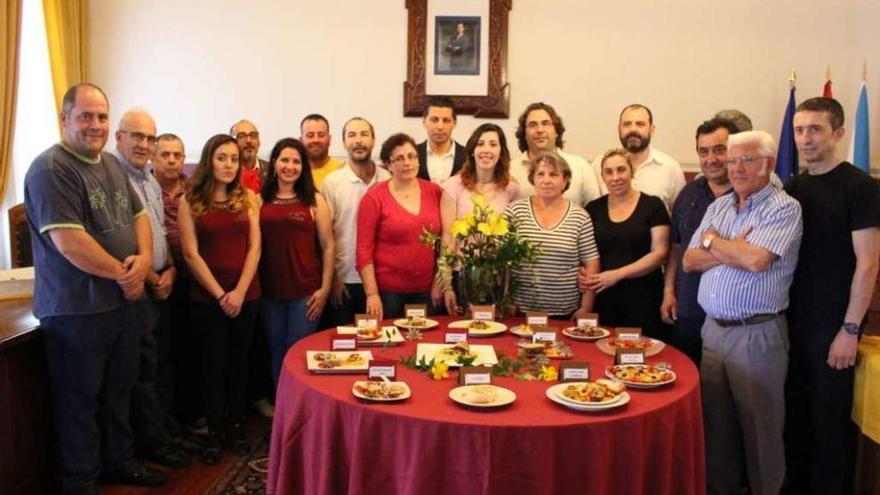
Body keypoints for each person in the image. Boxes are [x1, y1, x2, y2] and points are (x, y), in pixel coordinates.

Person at [24, 83, 166, 493]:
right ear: (65, 118)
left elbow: (139, 216)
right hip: (76, 311)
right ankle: (82, 480)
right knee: (79, 404)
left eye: (102, 116)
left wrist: (141, 259)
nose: (95, 125)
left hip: (121, 304)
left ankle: (119, 462)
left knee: (119, 392)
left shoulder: (110, 165)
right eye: (86, 116)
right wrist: (126, 274)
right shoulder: (51, 169)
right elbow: (69, 241)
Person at [683, 130, 802, 495]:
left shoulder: (783, 208)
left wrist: (714, 243)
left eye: (745, 160)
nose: (734, 168)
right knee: (718, 432)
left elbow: (756, 260)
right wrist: (730, 245)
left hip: (757, 336)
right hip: (714, 333)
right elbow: (689, 261)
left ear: (767, 164)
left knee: (760, 434)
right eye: (731, 160)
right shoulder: (719, 206)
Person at [784, 97, 880, 495]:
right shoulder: (793, 186)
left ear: (839, 133)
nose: (805, 138)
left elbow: (869, 264)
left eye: (816, 129)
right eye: (800, 130)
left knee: (829, 430)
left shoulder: (860, 187)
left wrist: (850, 329)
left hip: (834, 328)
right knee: (796, 423)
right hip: (791, 323)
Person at [114, 109, 190, 469]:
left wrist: (171, 269)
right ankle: (152, 444)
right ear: (119, 137)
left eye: (149, 138)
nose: (144, 144)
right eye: (137, 137)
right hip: (140, 286)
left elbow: (158, 233)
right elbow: (121, 242)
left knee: (163, 362)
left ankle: (165, 432)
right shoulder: (114, 178)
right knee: (143, 368)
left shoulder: (148, 180)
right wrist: (151, 277)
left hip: (164, 280)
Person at [178, 134, 261, 464]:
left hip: (246, 296)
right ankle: (214, 432)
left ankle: (236, 428)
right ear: (209, 160)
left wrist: (239, 292)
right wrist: (220, 295)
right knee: (212, 366)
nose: (229, 165)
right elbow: (189, 252)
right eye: (222, 158)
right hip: (207, 299)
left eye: (234, 159)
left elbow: (255, 248)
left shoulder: (250, 198)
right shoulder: (190, 200)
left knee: (240, 365)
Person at [660, 118, 738, 365]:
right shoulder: (689, 193)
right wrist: (669, 291)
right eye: (704, 152)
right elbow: (676, 249)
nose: (711, 159)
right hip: (688, 311)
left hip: (731, 318)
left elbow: (753, 257)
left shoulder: (749, 196)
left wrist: (699, 258)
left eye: (719, 149)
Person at [259, 138, 335, 385]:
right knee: (276, 350)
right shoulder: (260, 200)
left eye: (296, 161)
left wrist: (324, 290)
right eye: (284, 160)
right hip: (270, 291)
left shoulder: (314, 200)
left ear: (303, 167)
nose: (290, 166)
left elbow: (328, 246)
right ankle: (282, 409)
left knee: (298, 352)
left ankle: (301, 412)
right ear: (274, 163)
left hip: (306, 292)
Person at [357, 133, 446, 321]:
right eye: (399, 158)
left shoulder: (435, 192)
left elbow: (446, 241)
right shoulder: (374, 198)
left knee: (425, 343)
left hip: (427, 290)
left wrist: (441, 282)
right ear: (388, 165)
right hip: (388, 293)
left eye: (412, 156)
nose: (407, 163)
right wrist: (372, 294)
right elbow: (363, 250)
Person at [584, 149, 671, 340]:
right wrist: (582, 273)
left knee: (642, 360)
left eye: (621, 170)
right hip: (604, 299)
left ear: (632, 171)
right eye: (609, 172)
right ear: (602, 177)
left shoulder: (653, 206)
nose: (615, 177)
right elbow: (585, 252)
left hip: (644, 299)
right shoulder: (593, 209)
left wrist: (617, 275)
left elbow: (660, 254)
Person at [505, 151, 599, 319]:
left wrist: (586, 308)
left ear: (565, 180)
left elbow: (591, 263)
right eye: (540, 174)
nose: (546, 180)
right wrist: (505, 301)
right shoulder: (515, 211)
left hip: (565, 313)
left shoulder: (580, 217)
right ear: (532, 179)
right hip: (519, 311)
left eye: (554, 174)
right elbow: (502, 260)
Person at [440, 123, 519, 315]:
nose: (486, 150)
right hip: (463, 275)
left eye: (493, 144)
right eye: (480, 144)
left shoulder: (511, 188)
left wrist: (509, 289)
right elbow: (448, 238)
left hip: (497, 277)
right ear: (472, 151)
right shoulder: (453, 186)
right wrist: (446, 285)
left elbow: (512, 241)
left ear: (501, 151)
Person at [151, 133, 201, 430]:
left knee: (188, 347)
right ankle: (162, 420)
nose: (172, 160)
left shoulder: (193, 189)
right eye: (165, 154)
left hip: (191, 275)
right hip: (156, 277)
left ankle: (188, 414)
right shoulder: (143, 189)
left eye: (177, 155)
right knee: (160, 352)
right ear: (153, 158)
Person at [321, 117, 391, 326]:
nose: (358, 141)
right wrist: (334, 278)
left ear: (373, 140)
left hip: (382, 280)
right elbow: (326, 236)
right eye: (352, 135)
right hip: (345, 280)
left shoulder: (388, 179)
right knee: (344, 344)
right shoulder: (332, 183)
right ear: (343, 143)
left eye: (364, 134)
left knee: (379, 343)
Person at [594, 104, 686, 211]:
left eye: (640, 124)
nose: (633, 130)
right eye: (627, 124)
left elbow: (680, 216)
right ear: (619, 129)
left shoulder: (670, 168)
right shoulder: (599, 165)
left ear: (652, 130)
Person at [512, 102, 601, 206]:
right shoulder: (510, 169)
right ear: (524, 134)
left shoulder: (580, 167)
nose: (540, 130)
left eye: (545, 123)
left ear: (556, 131)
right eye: (533, 125)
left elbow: (596, 211)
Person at [416, 96, 467, 183]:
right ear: (424, 122)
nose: (440, 126)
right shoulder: (413, 154)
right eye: (434, 120)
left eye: (446, 120)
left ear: (454, 123)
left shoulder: (468, 157)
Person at [300, 113, 344, 189]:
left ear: (329, 139)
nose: (316, 140)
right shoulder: (295, 172)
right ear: (301, 141)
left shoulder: (343, 170)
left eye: (321, 135)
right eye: (310, 135)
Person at [231, 119, 268, 192]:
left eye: (253, 135)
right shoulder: (227, 171)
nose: (248, 140)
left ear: (259, 142)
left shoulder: (272, 170)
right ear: (232, 143)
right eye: (241, 136)